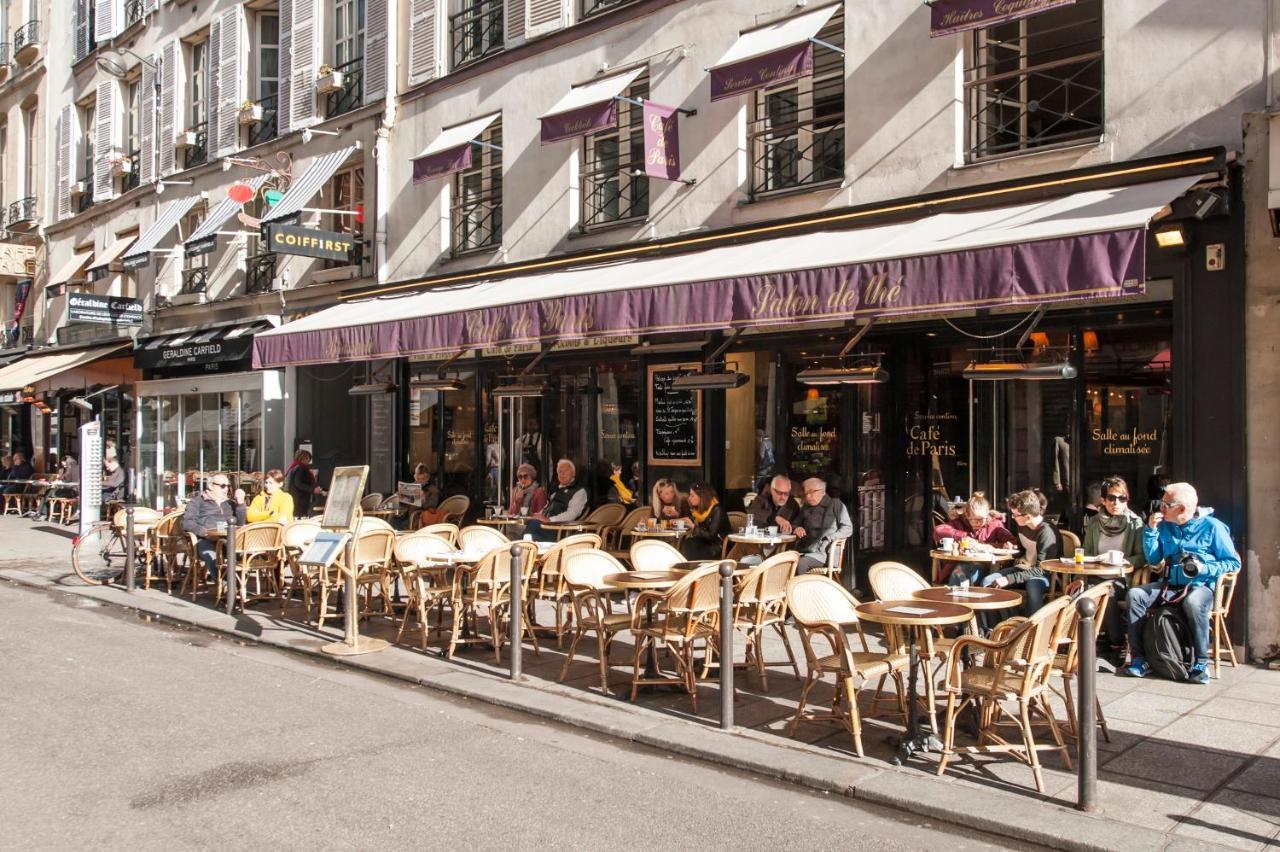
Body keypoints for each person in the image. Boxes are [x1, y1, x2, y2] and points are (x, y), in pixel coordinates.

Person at [1124, 482, 1241, 684]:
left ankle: (1200, 664)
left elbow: (1233, 562)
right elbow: (1153, 560)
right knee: (1136, 595)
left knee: (1194, 602)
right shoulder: (1165, 526)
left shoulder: (1213, 527)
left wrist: (1204, 568)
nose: (1161, 508)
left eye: (1165, 505)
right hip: (1170, 585)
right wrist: (1150, 530)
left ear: (1182, 509)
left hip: (1201, 587)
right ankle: (1139, 659)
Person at [1077, 475, 1146, 660]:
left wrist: (1122, 561)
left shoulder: (1135, 523)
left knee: (1107, 593)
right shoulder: (1094, 523)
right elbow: (1087, 552)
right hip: (1096, 574)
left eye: (1121, 498)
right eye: (1112, 498)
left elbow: (1141, 557)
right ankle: (1082, 644)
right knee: (1078, 592)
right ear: (1103, 500)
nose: (1116, 502)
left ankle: (1116, 642)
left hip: (1121, 577)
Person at [983, 488, 1058, 615]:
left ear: (1028, 517)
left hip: (1045, 575)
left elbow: (1042, 569)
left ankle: (1032, 628)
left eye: (1015, 515)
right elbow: (1021, 552)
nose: (1013, 517)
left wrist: (1009, 579)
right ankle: (999, 625)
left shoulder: (1046, 533)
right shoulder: (1022, 525)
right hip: (1023, 568)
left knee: (1033, 586)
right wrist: (1004, 549)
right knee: (987, 582)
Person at [935, 492, 1018, 586]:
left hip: (987, 567)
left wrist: (996, 545)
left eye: (981, 519)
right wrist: (964, 536)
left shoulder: (994, 524)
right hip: (958, 565)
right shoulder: (960, 523)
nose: (977, 523)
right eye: (973, 519)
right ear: (967, 515)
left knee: (965, 570)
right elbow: (938, 531)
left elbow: (1013, 542)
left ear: (987, 514)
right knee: (962, 569)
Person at [182, 474, 248, 583]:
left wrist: (240, 504)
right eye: (222, 486)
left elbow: (240, 523)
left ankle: (239, 586)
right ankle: (226, 586)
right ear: (211, 486)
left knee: (245, 556)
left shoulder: (230, 503)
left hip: (228, 541)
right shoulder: (198, 501)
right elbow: (187, 522)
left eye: (228, 486)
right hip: (206, 540)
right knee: (212, 557)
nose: (226, 489)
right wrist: (202, 531)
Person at [792, 478, 853, 574]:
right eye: (806, 493)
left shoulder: (836, 504)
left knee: (801, 564)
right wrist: (797, 528)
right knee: (784, 560)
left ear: (823, 491)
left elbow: (848, 528)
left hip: (824, 553)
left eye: (811, 492)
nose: (808, 496)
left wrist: (830, 537)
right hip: (805, 550)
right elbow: (795, 524)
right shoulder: (806, 507)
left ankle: (803, 589)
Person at [526, 459, 589, 542]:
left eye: (565, 471)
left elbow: (572, 514)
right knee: (528, 531)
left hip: (560, 531)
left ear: (573, 473)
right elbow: (548, 507)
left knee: (530, 532)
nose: (562, 474)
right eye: (559, 472)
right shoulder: (556, 491)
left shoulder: (579, 491)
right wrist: (538, 515)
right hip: (547, 527)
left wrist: (549, 520)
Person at [680, 482, 731, 561]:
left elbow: (711, 536)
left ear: (702, 497)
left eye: (692, 495)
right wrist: (677, 520)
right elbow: (691, 518)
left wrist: (693, 527)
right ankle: (687, 568)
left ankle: (692, 569)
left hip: (717, 545)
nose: (689, 498)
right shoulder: (700, 511)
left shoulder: (717, 510)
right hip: (705, 542)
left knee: (691, 546)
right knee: (688, 543)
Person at [33, 455, 79, 522]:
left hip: (72, 491)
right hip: (71, 490)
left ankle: (42, 513)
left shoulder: (71, 468)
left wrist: (57, 481)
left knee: (48, 492)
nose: (64, 466)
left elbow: (66, 480)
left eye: (65, 465)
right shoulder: (75, 467)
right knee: (48, 493)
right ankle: (43, 513)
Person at [284, 450, 323, 517]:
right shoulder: (301, 468)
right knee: (301, 516)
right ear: (304, 458)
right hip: (300, 499)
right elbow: (299, 483)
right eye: (308, 459)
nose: (309, 462)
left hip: (294, 497)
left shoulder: (293, 467)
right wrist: (312, 489)